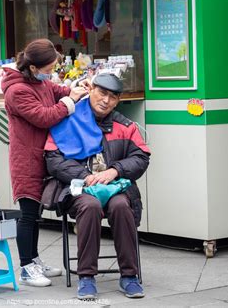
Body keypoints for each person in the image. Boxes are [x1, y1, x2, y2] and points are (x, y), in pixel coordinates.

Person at [44, 73, 151, 299]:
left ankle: (129, 276)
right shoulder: (67, 120)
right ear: (90, 89)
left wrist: (116, 170)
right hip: (77, 189)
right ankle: (86, 277)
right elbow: (53, 160)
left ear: (118, 101)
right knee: (90, 206)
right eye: (102, 93)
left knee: (122, 206)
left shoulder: (125, 126)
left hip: (115, 189)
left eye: (113, 97)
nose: (106, 100)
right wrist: (84, 175)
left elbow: (141, 157)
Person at [1, 39, 88, 287]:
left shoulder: (37, 81)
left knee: (36, 213)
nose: (50, 74)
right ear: (33, 67)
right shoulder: (17, 91)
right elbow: (44, 116)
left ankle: (35, 260)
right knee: (28, 215)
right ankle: (26, 267)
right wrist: (68, 102)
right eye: (48, 69)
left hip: (42, 155)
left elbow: (56, 92)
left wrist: (77, 87)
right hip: (26, 159)